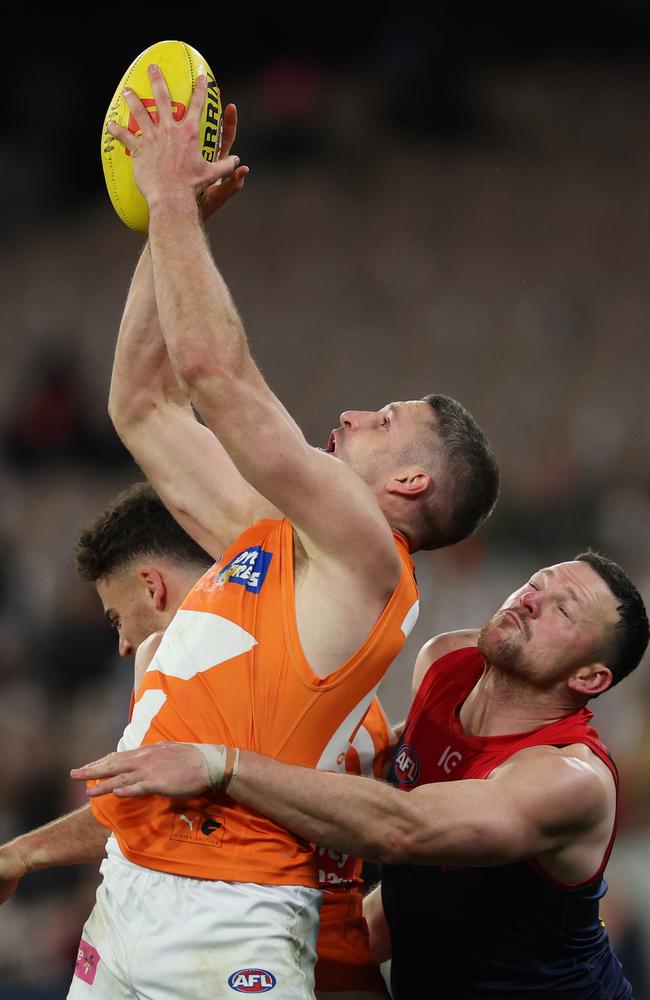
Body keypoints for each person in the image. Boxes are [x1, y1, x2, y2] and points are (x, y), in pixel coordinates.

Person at [68, 64, 498, 999]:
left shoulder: (361, 547)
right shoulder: (275, 542)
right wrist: (167, 231)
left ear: (411, 482)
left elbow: (215, 376)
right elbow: (142, 405)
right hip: (131, 887)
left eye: (383, 420)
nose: (351, 416)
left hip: (232, 913)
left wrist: (174, 199)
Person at [78, 552, 649, 999]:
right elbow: (405, 861)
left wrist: (221, 762)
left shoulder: (570, 778)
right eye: (537, 583)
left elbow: (405, 829)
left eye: (562, 608)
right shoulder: (446, 662)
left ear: (591, 678)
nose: (531, 599)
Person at [0, 482, 391, 998]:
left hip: (244, 945)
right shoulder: (342, 679)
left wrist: (24, 855)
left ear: (152, 588)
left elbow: (145, 813)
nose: (122, 643)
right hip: (334, 959)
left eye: (117, 618)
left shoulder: (185, 666)